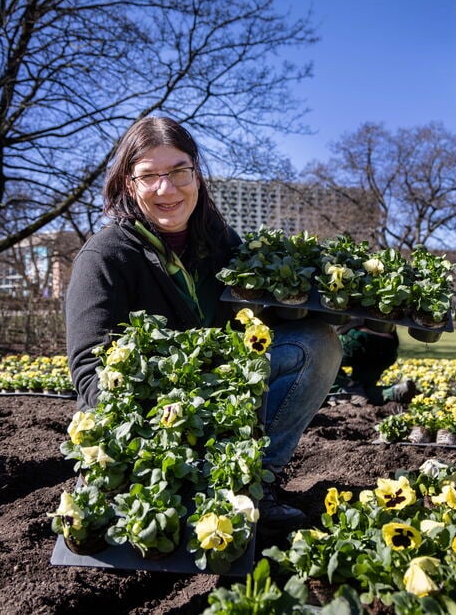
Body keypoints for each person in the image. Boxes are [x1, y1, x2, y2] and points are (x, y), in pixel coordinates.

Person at [64, 116, 341, 528]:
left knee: (316, 342)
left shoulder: (221, 242)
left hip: (221, 396)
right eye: (149, 176)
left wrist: (320, 296)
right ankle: (170, 491)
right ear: (129, 184)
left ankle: (252, 484)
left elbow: (262, 318)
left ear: (197, 174)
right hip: (155, 414)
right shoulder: (106, 258)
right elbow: (89, 369)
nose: (167, 188)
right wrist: (154, 422)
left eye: (178, 171)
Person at [327, 318, 417, 406]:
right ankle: (393, 392)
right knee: (363, 385)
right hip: (388, 347)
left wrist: (346, 383)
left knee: (322, 361)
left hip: (358, 338)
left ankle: (345, 389)